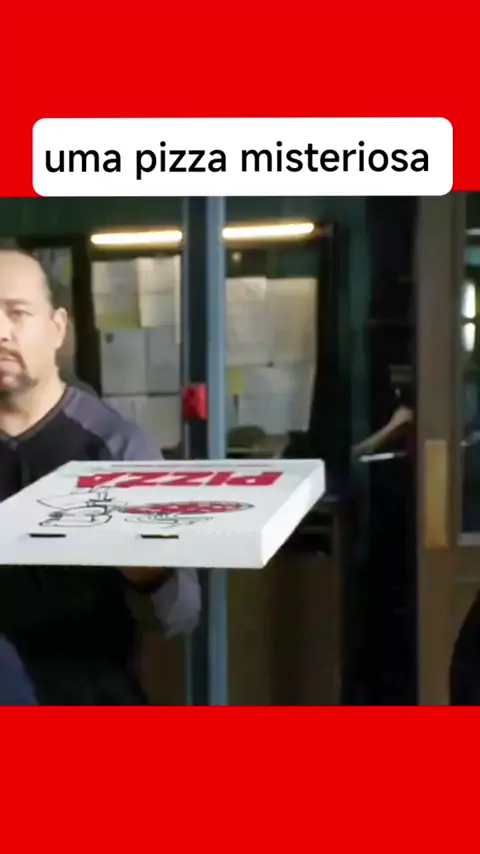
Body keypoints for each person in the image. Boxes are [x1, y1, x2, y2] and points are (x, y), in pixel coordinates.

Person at [0, 249, 200, 705]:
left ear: (57, 328)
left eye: (17, 312)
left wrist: (149, 573)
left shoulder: (116, 447)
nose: (0, 332)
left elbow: (181, 614)